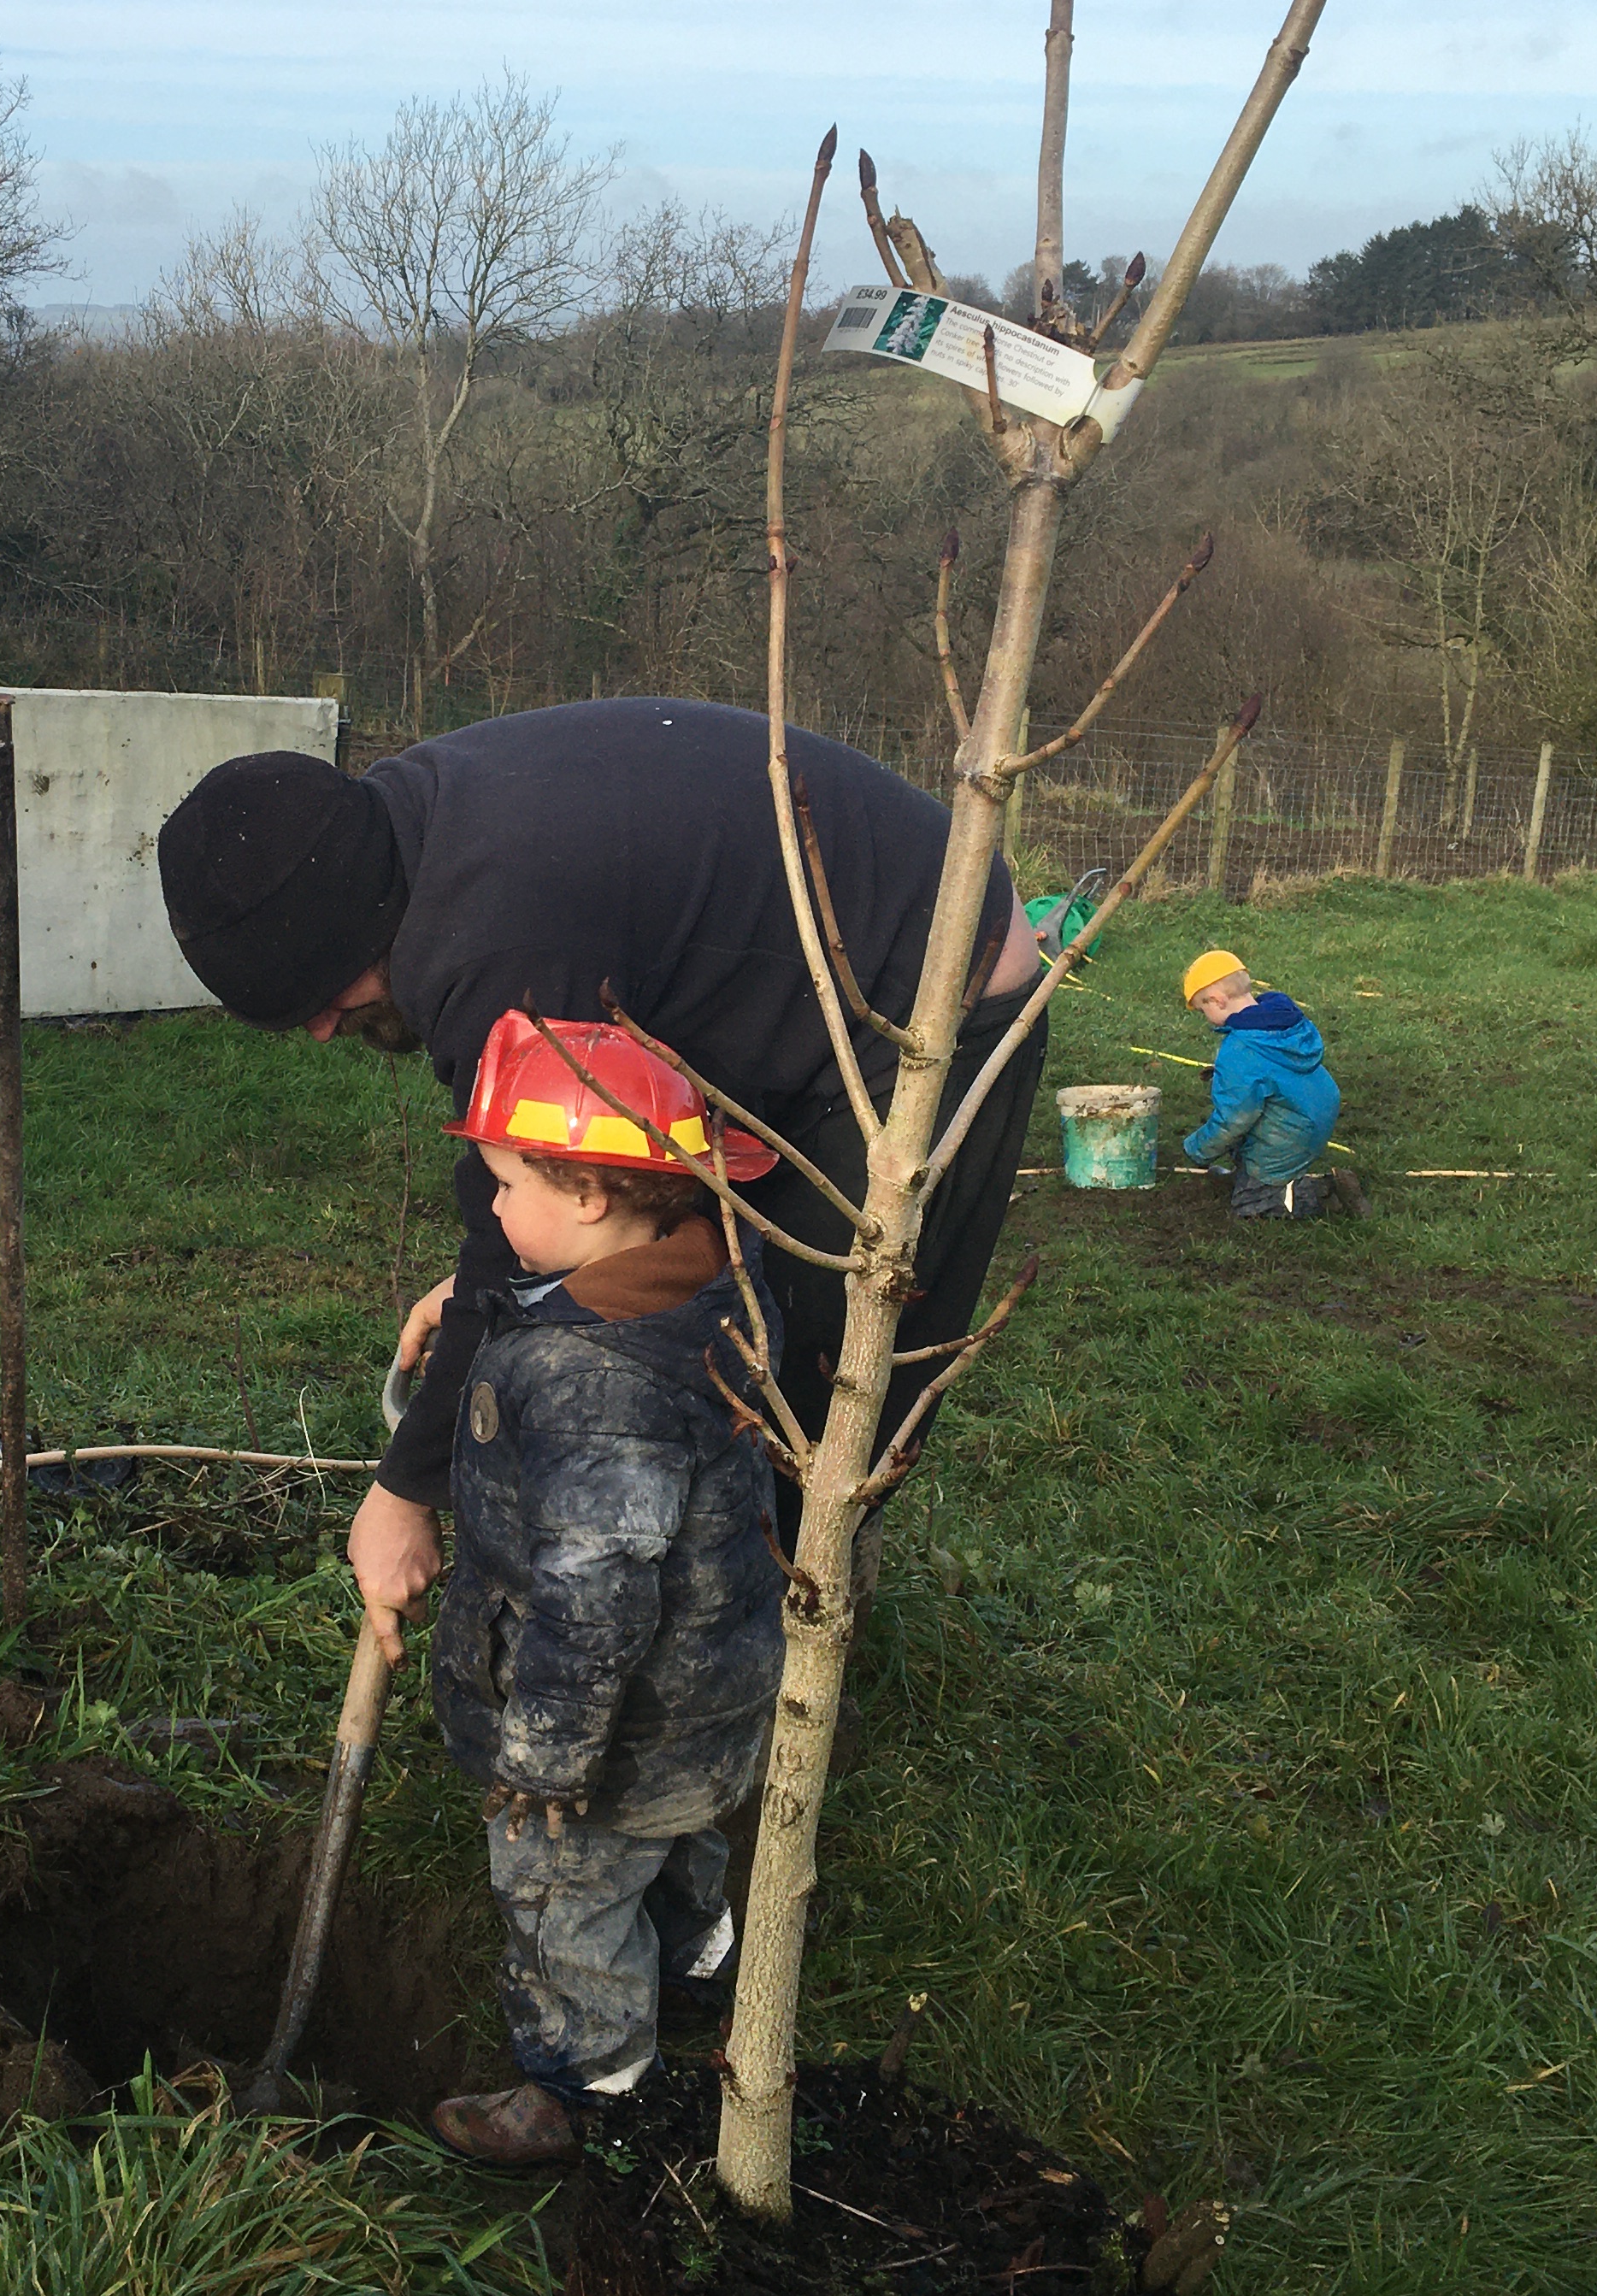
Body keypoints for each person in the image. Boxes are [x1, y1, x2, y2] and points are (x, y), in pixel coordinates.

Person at [156, 700, 1050, 1638]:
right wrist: (482, 1277)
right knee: (707, 1302)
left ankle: (764, 1678)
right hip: (807, 963)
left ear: (351, 925)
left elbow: (536, 1210)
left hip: (931, 986)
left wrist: (405, 1494)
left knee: (803, 1380)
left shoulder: (497, 929)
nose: (321, 1026)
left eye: (319, 992)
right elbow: (558, 1191)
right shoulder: (409, 826)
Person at [408, 1011, 785, 2169]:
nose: (490, 1211)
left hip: (610, 1735)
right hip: (713, 1699)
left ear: (583, 1196)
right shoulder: (709, 1281)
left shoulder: (587, 1384)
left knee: (565, 1898)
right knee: (679, 1849)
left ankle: (595, 2088)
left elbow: (595, 1602)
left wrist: (543, 1766)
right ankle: (698, 1969)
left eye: (504, 1184)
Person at [1180, 947, 1350, 1217]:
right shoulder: (1280, 1020)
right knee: (1253, 1130)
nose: (1206, 1017)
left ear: (1217, 1000)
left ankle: (1327, 1194)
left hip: (1291, 1133)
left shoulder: (1240, 1049)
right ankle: (1247, 1175)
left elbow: (1233, 1117)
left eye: (1203, 1008)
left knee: (1252, 1206)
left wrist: (1197, 1149)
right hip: (1313, 1110)